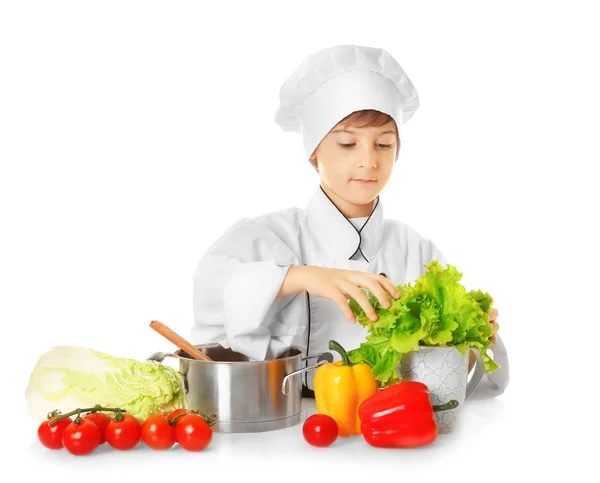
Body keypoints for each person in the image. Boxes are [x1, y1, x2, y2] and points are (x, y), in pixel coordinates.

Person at [191, 44, 509, 398]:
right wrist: (298, 277)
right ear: (314, 150)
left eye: (384, 145)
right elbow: (213, 289)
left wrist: (472, 335)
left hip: (388, 428)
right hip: (285, 427)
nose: (368, 161)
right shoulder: (266, 237)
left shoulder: (415, 249)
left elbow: (449, 376)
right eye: (347, 144)